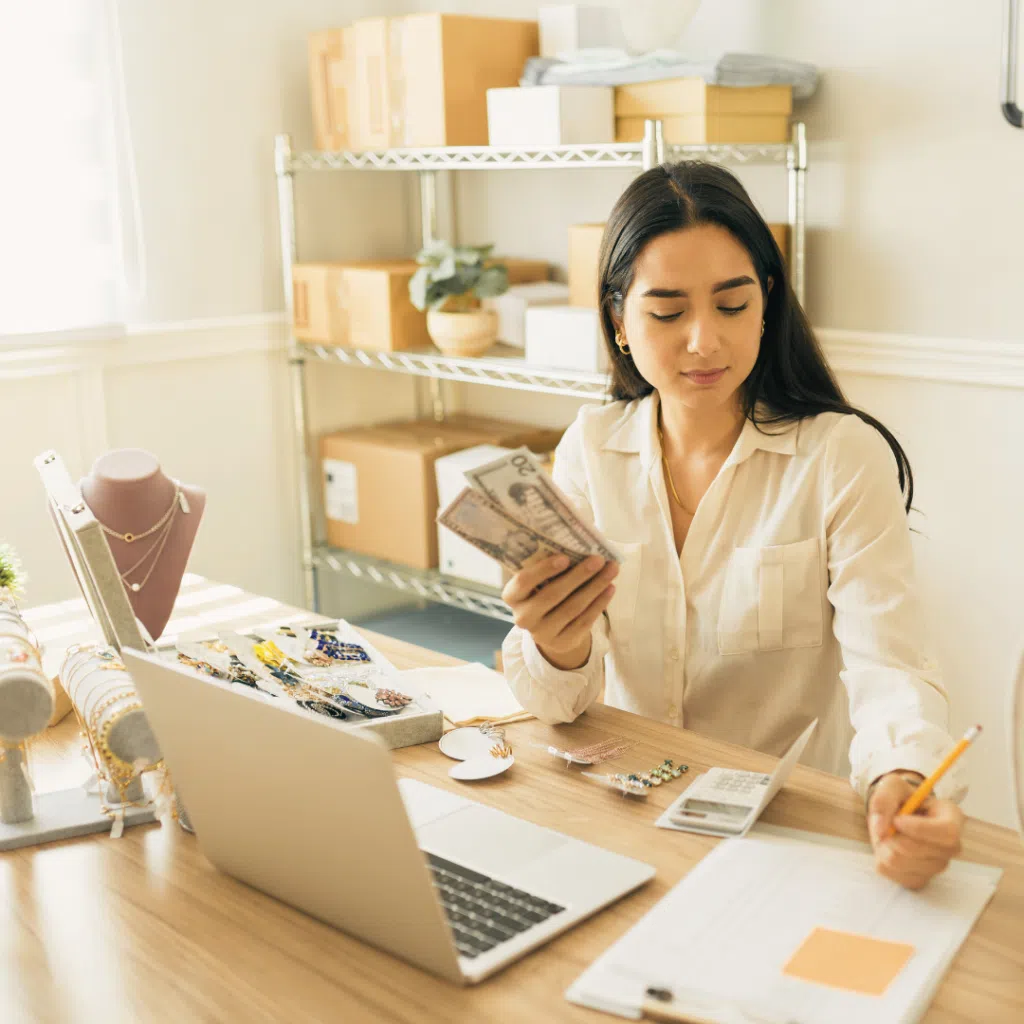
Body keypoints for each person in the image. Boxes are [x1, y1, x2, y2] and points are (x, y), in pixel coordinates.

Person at [501, 162, 965, 890]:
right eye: (666, 312)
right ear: (619, 320)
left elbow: (891, 666)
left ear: (767, 304)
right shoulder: (591, 448)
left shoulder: (839, 457)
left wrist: (900, 775)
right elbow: (556, 706)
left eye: (731, 305)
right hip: (625, 816)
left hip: (784, 837)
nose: (703, 342)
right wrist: (557, 647)